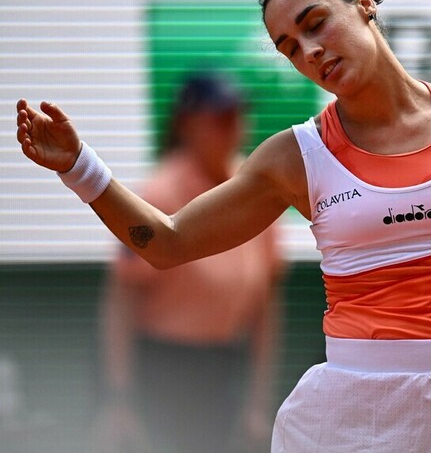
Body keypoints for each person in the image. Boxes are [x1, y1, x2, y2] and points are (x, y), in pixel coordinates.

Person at [16, 0, 431, 453]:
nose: (308, 51)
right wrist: (77, 165)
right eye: (289, 46)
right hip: (352, 413)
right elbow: (166, 243)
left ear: (364, 4)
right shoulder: (294, 158)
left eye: (315, 24)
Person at [91, 73, 286, 453]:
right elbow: (121, 299)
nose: (235, 127)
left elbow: (266, 304)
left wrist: (258, 402)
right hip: (162, 369)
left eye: (239, 115)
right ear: (187, 124)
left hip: (225, 366)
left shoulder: (257, 189)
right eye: (221, 118)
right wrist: (118, 397)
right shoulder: (161, 193)